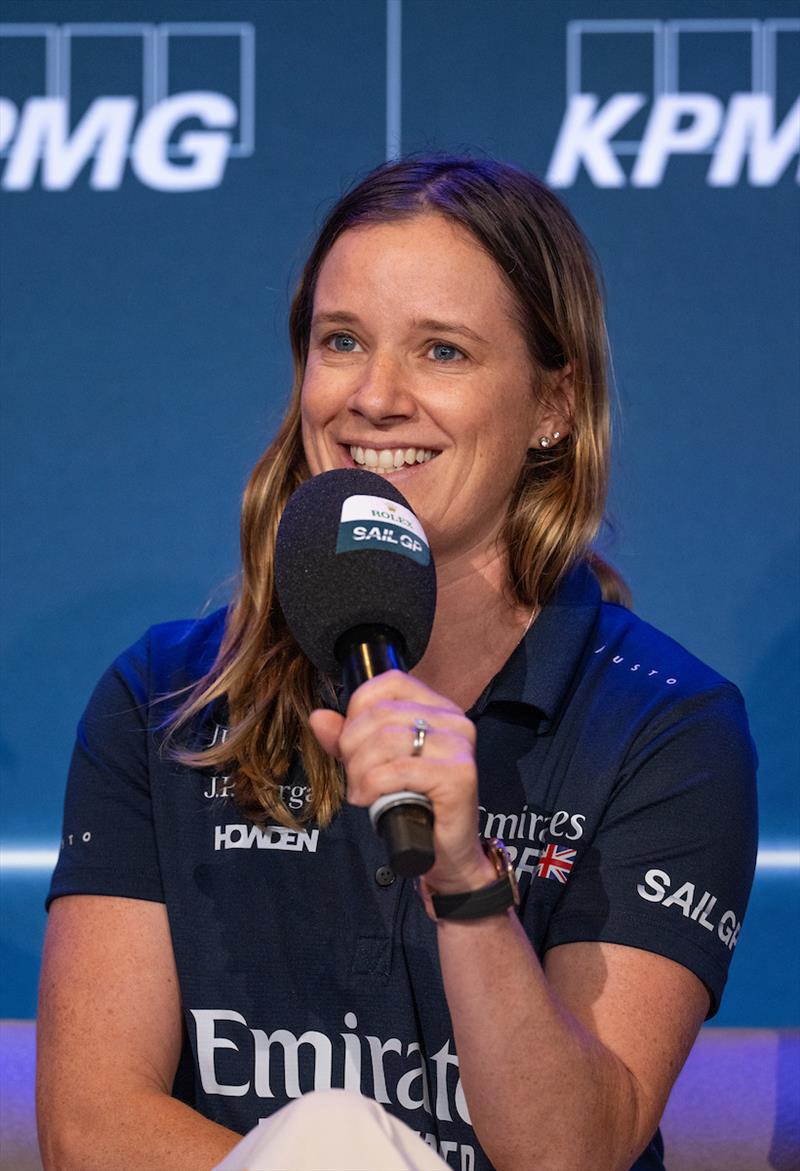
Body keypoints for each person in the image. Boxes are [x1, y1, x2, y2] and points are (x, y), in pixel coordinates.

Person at [37, 156, 757, 1171]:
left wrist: (464, 877)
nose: (374, 397)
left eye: (441, 351)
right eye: (341, 342)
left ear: (553, 403)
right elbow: (91, 1131)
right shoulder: (161, 700)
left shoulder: (665, 728)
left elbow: (568, 1154)